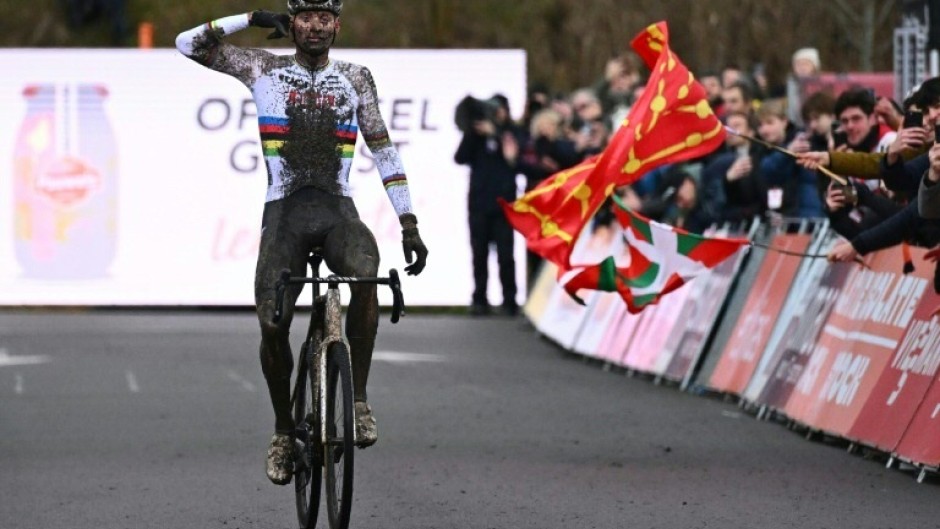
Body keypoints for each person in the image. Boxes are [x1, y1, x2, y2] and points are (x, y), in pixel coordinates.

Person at [175, 0, 429, 485]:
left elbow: (382, 148)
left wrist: (409, 221)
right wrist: (251, 18)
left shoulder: (355, 77)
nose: (316, 27)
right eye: (306, 18)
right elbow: (188, 44)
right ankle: (282, 431)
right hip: (284, 216)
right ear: (291, 25)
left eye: (324, 19)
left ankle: (358, 402)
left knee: (366, 273)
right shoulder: (262, 68)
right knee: (273, 323)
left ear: (337, 26)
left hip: (337, 213)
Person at [454, 94, 522, 316]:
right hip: (479, 204)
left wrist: (496, 134)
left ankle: (510, 300)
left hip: (504, 204)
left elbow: (519, 159)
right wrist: (472, 133)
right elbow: (460, 157)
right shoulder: (476, 135)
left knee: (505, 254)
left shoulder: (512, 132)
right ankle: (479, 298)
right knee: (479, 253)